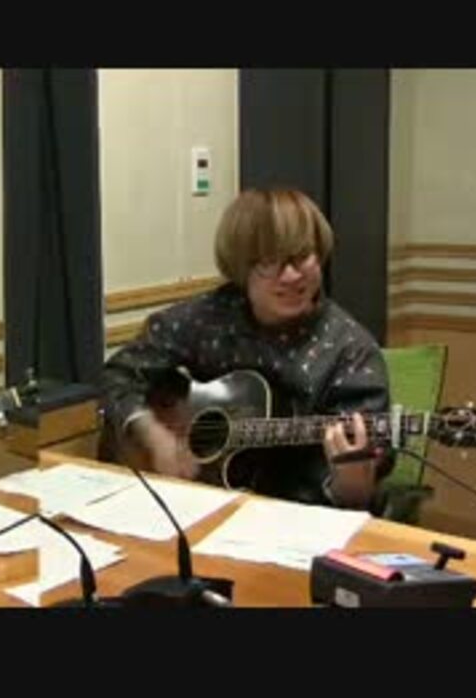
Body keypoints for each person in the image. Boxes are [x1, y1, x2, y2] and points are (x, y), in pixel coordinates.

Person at [100, 188, 393, 512]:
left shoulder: (351, 351)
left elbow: (353, 502)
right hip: (188, 505)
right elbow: (117, 374)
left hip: (293, 519)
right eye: (270, 261)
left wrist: (352, 483)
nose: (291, 275)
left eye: (303, 256)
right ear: (241, 267)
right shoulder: (205, 318)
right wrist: (152, 433)